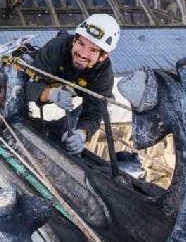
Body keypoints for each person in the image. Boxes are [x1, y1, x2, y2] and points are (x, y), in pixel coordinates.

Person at [24, 14, 120, 155]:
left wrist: (82, 133)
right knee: (18, 84)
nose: (82, 54)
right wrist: (49, 94)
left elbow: (95, 111)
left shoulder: (103, 74)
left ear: (103, 56)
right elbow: (30, 85)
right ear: (74, 40)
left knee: (104, 105)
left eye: (93, 50)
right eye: (81, 44)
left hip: (73, 88)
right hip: (47, 80)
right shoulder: (57, 47)